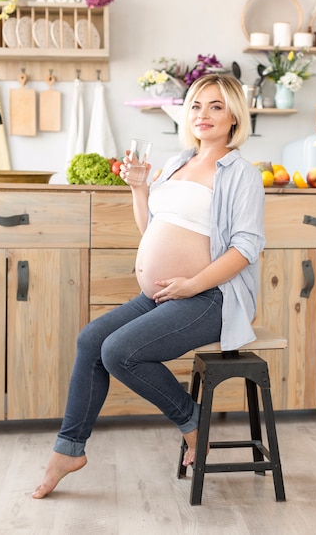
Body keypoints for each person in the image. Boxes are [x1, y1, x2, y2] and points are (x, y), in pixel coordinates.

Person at [32, 73, 265, 499]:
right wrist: (140, 189)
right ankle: (69, 449)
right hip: (160, 294)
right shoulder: (177, 162)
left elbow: (246, 249)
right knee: (91, 342)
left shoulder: (240, 173)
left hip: (210, 298)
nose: (203, 114)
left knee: (119, 352)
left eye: (215, 106)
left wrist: (192, 283)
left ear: (234, 116)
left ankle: (193, 424)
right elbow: (152, 229)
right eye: (196, 105)